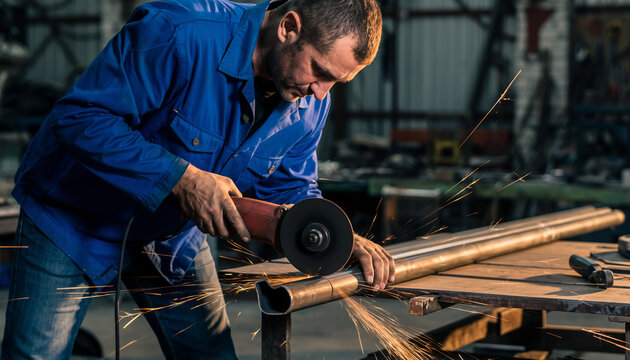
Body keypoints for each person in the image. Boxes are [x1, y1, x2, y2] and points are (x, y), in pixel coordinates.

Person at [2, 0, 394, 358]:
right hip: (72, 218)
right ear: (288, 27)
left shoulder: (309, 101)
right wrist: (181, 179)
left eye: (336, 83)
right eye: (321, 72)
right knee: (37, 355)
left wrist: (331, 232)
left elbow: (289, 186)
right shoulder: (180, 32)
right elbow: (79, 119)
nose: (321, 92)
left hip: (171, 235)